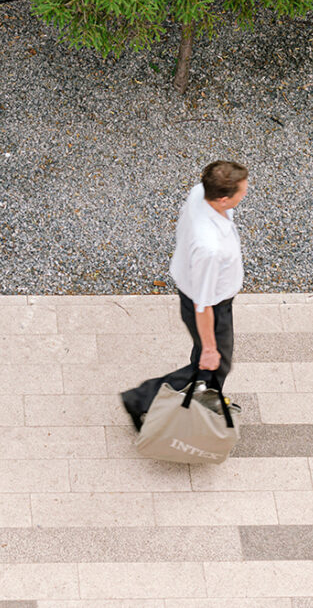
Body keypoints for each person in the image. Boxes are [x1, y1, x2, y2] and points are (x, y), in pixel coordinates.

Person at [121, 160, 248, 431]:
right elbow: (204, 305)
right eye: (242, 190)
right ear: (224, 199)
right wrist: (211, 347)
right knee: (213, 364)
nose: (245, 192)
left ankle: (200, 402)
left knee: (205, 361)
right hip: (211, 305)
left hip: (200, 291)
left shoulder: (199, 193)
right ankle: (143, 399)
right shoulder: (209, 248)